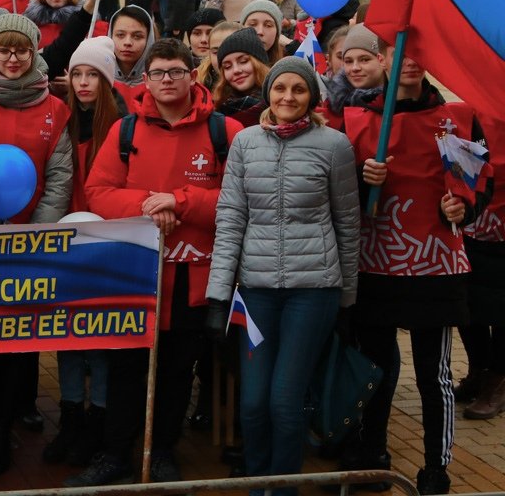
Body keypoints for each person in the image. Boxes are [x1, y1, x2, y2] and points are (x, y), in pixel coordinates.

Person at [71, 39, 240, 487]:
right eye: (158, 73)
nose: (167, 81)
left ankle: (162, 449)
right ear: (145, 80)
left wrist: (180, 202)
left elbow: (240, 199)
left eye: (176, 72)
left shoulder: (226, 131)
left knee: (178, 370)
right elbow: (99, 192)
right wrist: (150, 203)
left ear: (193, 75)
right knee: (127, 369)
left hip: (194, 274)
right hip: (136, 271)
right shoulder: (125, 130)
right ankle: (115, 453)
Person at [207, 57, 360, 495]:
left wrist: (347, 299)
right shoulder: (245, 143)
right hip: (255, 294)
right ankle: (260, 485)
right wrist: (219, 296)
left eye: (298, 89)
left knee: (284, 402)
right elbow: (231, 217)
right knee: (253, 404)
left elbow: (348, 225)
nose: (288, 98)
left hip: (313, 293)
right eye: (280, 89)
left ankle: (285, 488)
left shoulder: (334, 146)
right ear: (268, 92)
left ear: (311, 95)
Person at [344, 51, 491, 495]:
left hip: (436, 265)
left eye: (416, 54)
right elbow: (336, 192)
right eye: (396, 52)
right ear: (383, 58)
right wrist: (360, 175)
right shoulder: (356, 121)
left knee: (435, 374)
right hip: (376, 264)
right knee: (375, 367)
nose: (408, 61)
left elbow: (480, 185)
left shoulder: (460, 118)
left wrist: (463, 208)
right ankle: (373, 455)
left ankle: (436, 468)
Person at [0, 14, 73, 475]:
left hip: (27, 245)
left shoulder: (54, 110)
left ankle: (1, 432)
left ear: (34, 53)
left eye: (21, 50)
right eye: (3, 49)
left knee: (17, 347)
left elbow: (59, 177)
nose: (12, 58)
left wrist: (34, 236)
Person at [44, 36, 126, 468]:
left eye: (92, 73)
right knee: (68, 337)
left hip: (109, 239)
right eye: (77, 73)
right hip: (67, 234)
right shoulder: (65, 122)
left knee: (100, 337)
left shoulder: (122, 127)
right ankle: (72, 417)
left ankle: (99, 423)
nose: (83, 82)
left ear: (107, 79)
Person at [457, 115, 505, 420]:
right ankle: (479, 368)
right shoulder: (475, 108)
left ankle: (497, 381)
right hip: (474, 221)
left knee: (502, 310)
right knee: (466, 304)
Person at [213, 27, 271, 128]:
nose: (236, 70)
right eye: (227, 67)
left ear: (259, 63)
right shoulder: (216, 112)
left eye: (243, 61)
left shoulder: (279, 105)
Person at [107, 5, 156, 112]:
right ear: (110, 36)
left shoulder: (160, 81)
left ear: (149, 40)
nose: (127, 42)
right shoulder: (100, 80)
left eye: (137, 36)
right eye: (120, 35)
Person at [195, 21, 240, 94]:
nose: (222, 58)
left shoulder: (263, 90)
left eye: (230, 50)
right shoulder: (196, 87)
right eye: (216, 52)